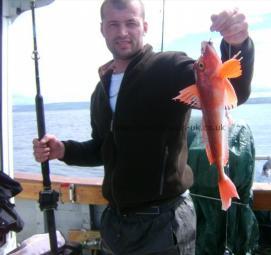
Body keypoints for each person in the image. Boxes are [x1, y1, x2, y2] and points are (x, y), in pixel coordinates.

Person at [33, 0, 254, 254]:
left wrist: (237, 43)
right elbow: (101, 148)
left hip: (164, 224)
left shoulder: (169, 67)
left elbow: (232, 91)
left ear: (145, 26)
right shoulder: (100, 91)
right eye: (114, 24)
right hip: (115, 223)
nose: (122, 32)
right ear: (102, 29)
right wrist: (64, 150)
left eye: (131, 23)